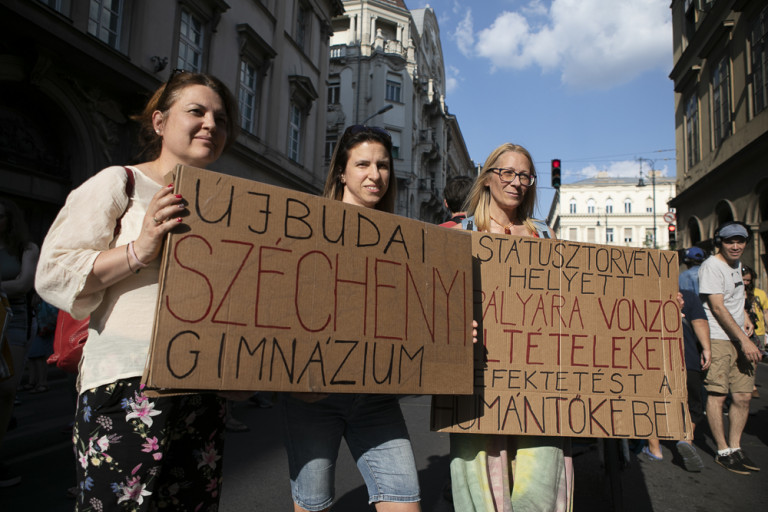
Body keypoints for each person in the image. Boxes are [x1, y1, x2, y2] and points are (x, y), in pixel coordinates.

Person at [35, 70, 240, 510]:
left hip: (201, 391)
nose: (211, 125)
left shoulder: (229, 206)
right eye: (197, 111)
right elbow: (53, 272)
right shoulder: (119, 183)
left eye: (221, 119)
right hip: (128, 386)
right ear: (161, 123)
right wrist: (140, 249)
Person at [281, 124, 420, 512]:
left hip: (376, 397)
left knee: (406, 503)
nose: (374, 175)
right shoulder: (306, 226)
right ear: (341, 171)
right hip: (312, 394)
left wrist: (453, 328)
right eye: (363, 164)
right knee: (313, 506)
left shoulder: (405, 241)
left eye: (383, 165)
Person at [450, 143, 572, 511]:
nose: (516, 182)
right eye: (507, 173)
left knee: (540, 477)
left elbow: (575, 302)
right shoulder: (461, 235)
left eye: (524, 175)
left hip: (540, 381)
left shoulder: (544, 236)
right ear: (488, 178)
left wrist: (657, 305)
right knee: (484, 480)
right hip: (477, 382)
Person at [699, 221, 762, 474]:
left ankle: (735, 447)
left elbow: (738, 295)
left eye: (740, 241)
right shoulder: (712, 267)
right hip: (718, 337)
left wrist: (746, 316)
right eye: (729, 241)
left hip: (738, 336)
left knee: (744, 396)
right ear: (720, 243)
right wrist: (745, 341)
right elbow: (717, 308)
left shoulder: (737, 265)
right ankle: (723, 450)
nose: (735, 246)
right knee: (718, 394)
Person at [642, 288, 711, 471]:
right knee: (692, 406)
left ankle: (654, 449)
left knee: (651, 402)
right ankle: (686, 440)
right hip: (687, 359)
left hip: (651, 358)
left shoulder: (642, 291)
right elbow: (699, 322)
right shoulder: (688, 295)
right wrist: (706, 348)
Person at [0, 197, 40, 487]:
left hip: (13, 319)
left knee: (6, 388)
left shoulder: (26, 249)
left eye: (1, 217)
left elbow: (24, 283)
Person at [23, 294, 58, 393]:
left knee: (38, 357)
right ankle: (33, 381)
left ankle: (42, 382)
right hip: (37, 325)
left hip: (40, 326)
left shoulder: (37, 295)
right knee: (33, 356)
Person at [741, 265, 766, 398]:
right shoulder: (736, 292)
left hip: (758, 330)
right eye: (744, 280)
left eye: (748, 281)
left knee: (756, 358)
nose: (746, 283)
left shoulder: (759, 294)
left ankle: (751, 383)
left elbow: (765, 311)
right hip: (741, 330)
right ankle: (744, 383)